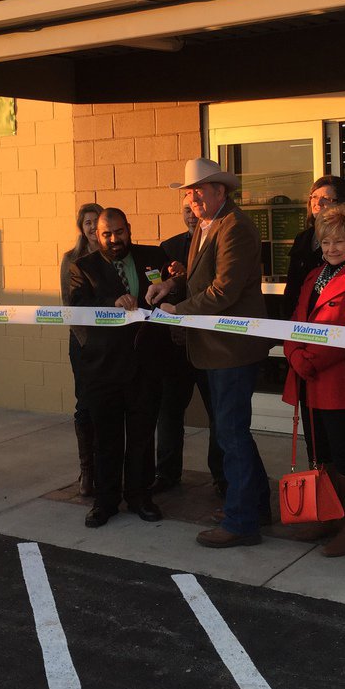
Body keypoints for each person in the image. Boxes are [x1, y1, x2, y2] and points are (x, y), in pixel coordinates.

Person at [147, 158, 273, 549]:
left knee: (232, 435)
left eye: (199, 189)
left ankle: (242, 522)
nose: (192, 196)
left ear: (221, 190)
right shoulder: (210, 224)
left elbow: (224, 291)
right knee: (232, 434)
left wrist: (178, 312)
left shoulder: (234, 227)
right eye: (188, 191)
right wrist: (171, 285)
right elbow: (203, 277)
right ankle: (253, 505)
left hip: (230, 350)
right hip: (217, 348)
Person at [281, 203, 345, 557]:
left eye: (339, 241)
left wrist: (310, 359)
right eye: (326, 242)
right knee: (319, 453)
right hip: (309, 378)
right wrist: (293, 354)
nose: (332, 248)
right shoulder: (314, 275)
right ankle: (327, 514)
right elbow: (295, 320)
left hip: (340, 381)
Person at [67, 208, 171, 527]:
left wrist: (174, 280)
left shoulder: (154, 255)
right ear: (96, 236)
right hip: (103, 369)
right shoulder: (82, 267)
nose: (114, 239)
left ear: (129, 229)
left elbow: (176, 286)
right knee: (106, 439)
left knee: (141, 437)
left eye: (119, 232)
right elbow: (77, 307)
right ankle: (106, 501)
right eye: (106, 234)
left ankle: (140, 497)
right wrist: (111, 303)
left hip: (146, 365)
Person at [152, 195, 225, 496]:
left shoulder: (217, 241)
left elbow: (219, 290)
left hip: (209, 344)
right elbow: (156, 290)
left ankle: (221, 477)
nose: (191, 214)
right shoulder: (167, 248)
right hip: (176, 348)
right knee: (169, 411)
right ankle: (167, 474)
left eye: (194, 207)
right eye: (185, 209)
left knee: (217, 414)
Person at [60, 202, 103, 497]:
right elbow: (69, 304)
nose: (91, 227)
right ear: (81, 227)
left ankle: (111, 467)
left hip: (115, 344)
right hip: (84, 342)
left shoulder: (115, 254)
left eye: (96, 221)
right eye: (87, 222)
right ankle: (87, 471)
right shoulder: (71, 258)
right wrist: (87, 341)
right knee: (85, 405)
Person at [282, 176, 345, 318]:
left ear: (342, 203)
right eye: (314, 197)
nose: (318, 202)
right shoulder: (303, 238)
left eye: (326, 198)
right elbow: (292, 286)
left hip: (330, 323)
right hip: (298, 318)